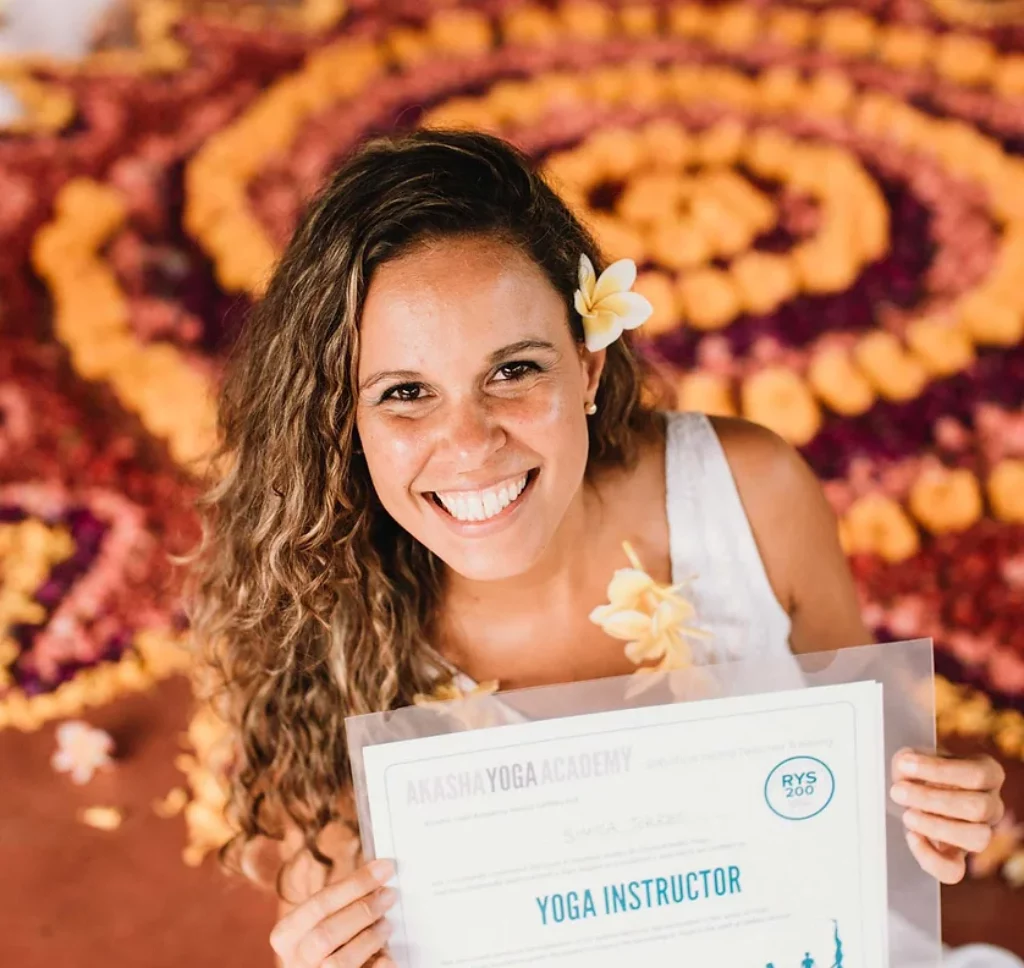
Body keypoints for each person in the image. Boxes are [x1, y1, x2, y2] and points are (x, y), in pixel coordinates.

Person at [185, 130, 1007, 968]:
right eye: (404, 393)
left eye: (513, 371)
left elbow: (880, 762)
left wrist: (947, 807)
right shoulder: (320, 605)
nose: (470, 445)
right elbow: (320, 890)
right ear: (342, 421)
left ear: (586, 363)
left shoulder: (746, 495)